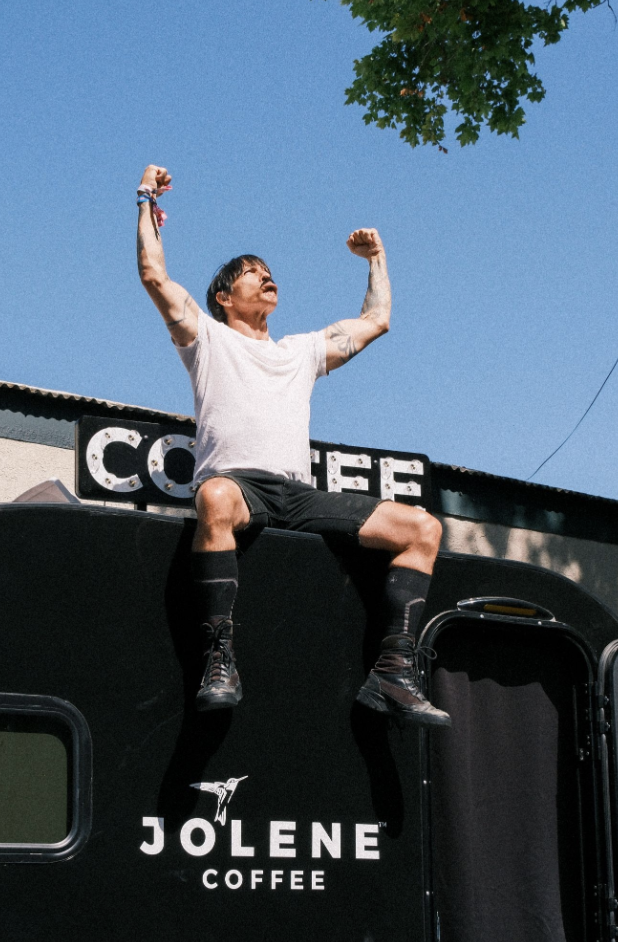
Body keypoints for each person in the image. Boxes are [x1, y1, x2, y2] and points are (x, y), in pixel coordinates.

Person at [136, 164, 450, 728]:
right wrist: (145, 201)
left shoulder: (300, 352)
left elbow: (377, 319)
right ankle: (218, 657)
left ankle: (394, 671)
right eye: (253, 274)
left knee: (423, 529)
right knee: (212, 499)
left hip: (298, 495)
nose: (267, 278)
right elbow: (154, 276)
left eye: (270, 272)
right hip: (239, 488)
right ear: (224, 297)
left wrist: (376, 257)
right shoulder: (205, 338)